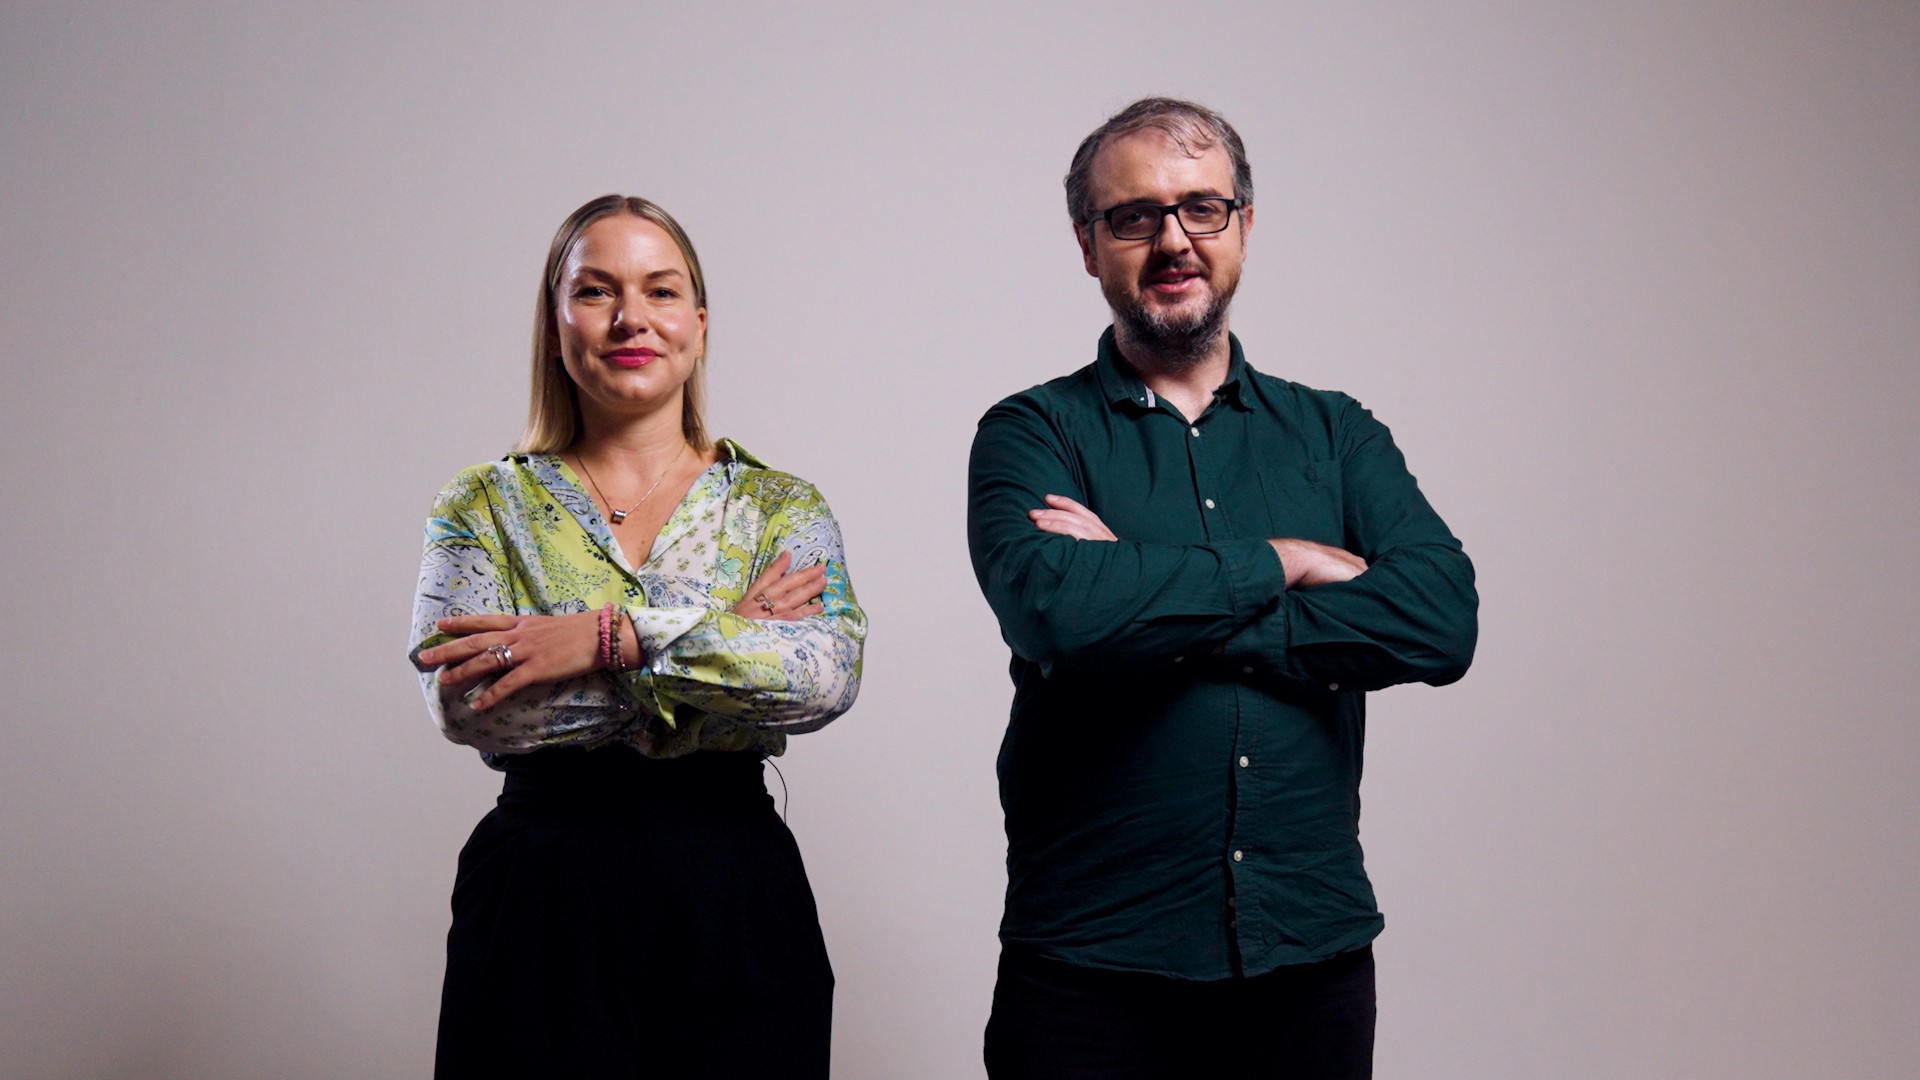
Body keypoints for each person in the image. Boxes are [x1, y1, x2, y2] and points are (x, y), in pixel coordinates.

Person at [967, 98, 1478, 1079]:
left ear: (1245, 223)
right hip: (1088, 968)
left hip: (1309, 961)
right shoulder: (1032, 434)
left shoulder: (1337, 434)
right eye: (1134, 216)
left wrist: (1143, 590)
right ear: (1087, 244)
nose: (1173, 240)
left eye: (1202, 208)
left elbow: (1439, 620)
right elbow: (1056, 614)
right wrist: (1286, 559)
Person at [407, 194, 864, 1079]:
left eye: (660, 291)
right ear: (554, 324)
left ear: (698, 321)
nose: (630, 319)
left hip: (733, 887)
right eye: (595, 292)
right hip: (541, 889)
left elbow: (821, 677)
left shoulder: (780, 508)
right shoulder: (482, 507)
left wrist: (603, 639)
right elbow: (469, 705)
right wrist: (725, 641)